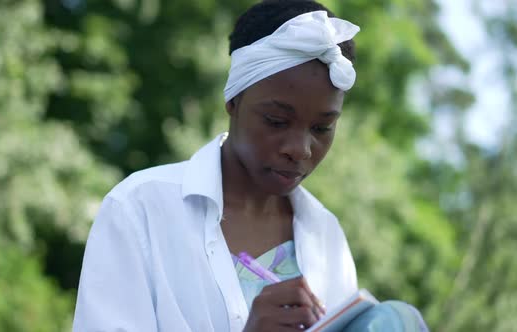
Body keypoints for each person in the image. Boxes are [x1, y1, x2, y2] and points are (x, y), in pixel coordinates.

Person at [73, 1, 429, 331]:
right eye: (276, 121)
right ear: (233, 100)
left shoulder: (326, 237)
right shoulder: (140, 210)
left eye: (322, 128)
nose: (300, 150)